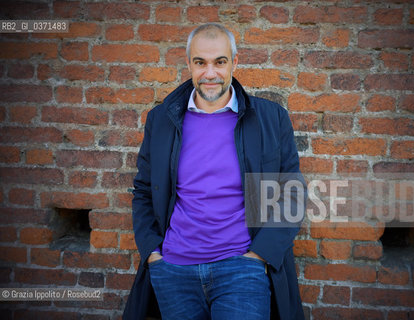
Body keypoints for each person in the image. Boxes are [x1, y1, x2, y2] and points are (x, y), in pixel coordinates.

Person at [123, 23, 305, 320]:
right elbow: (143, 190)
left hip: (242, 269)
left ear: (235, 62)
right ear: (189, 64)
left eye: (219, 62)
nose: (210, 73)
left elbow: (292, 196)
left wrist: (258, 257)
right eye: (200, 63)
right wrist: (154, 255)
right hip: (174, 270)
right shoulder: (162, 120)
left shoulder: (271, 118)